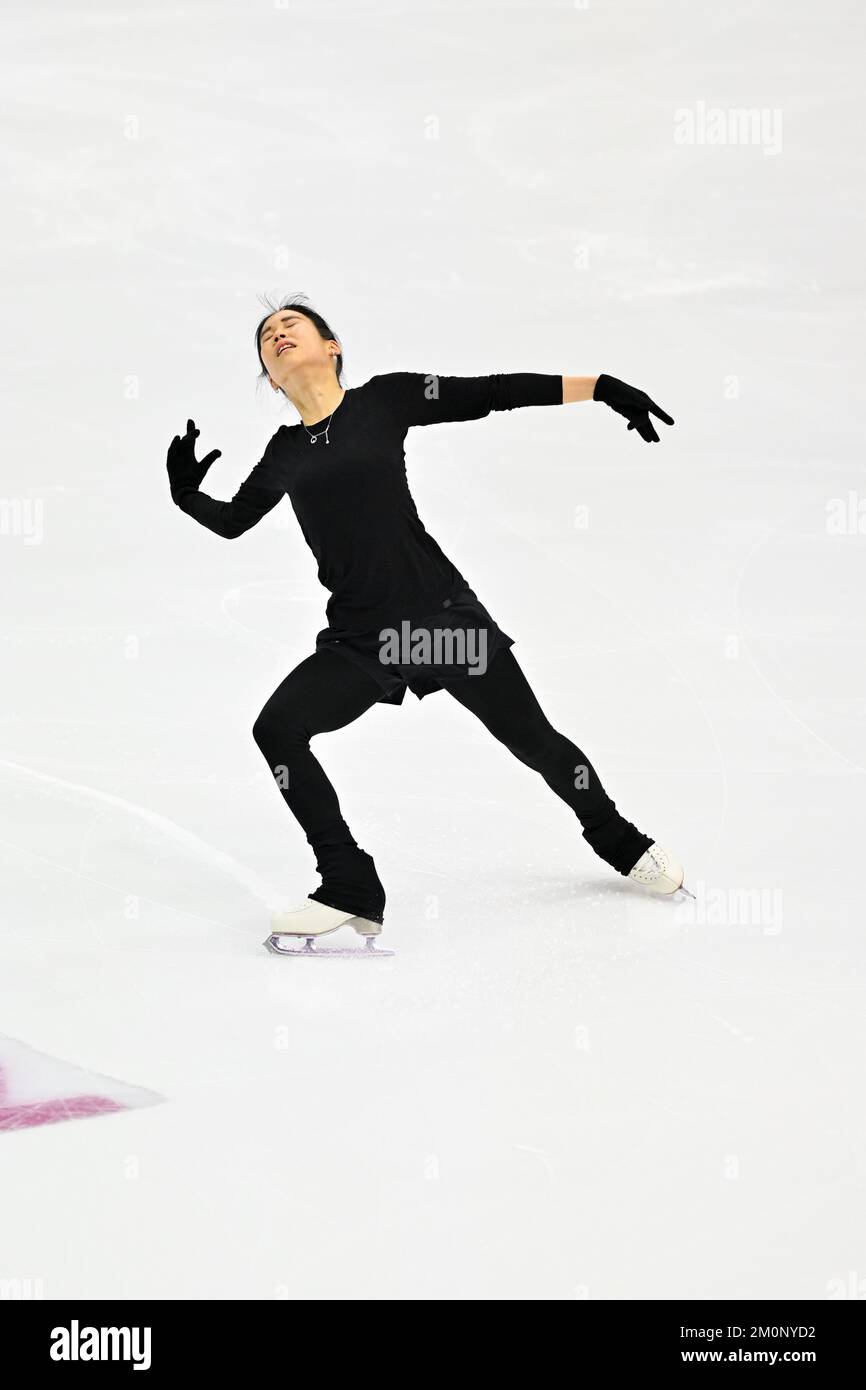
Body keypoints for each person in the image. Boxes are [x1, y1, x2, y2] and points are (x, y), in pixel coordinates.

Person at [167, 295, 688, 953]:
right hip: (364, 640)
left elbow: (494, 393)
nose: (278, 335)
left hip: (440, 620)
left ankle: (620, 840)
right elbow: (237, 520)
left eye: (291, 326)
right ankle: (349, 881)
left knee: (535, 743)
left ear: (332, 348)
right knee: (278, 729)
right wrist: (188, 497)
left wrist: (599, 388)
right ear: (272, 378)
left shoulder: (385, 400)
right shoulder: (284, 452)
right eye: (268, 338)